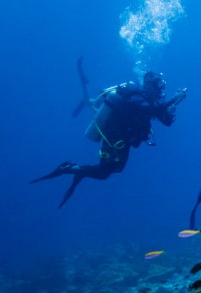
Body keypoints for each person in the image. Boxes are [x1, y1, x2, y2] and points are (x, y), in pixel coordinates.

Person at [30, 71, 186, 208]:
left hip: (124, 140)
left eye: (162, 86)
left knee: (110, 171)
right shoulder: (136, 96)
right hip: (114, 138)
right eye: (158, 85)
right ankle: (69, 169)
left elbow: (165, 121)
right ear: (149, 85)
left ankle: (77, 171)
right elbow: (148, 109)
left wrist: (173, 107)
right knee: (104, 172)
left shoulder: (153, 101)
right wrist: (172, 100)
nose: (161, 89)